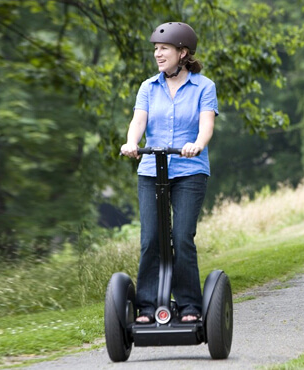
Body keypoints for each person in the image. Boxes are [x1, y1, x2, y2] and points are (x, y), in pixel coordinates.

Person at [120, 22, 218, 324]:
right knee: (151, 238)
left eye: (163, 48)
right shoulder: (148, 87)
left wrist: (197, 144)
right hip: (151, 171)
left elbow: (206, 126)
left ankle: (189, 305)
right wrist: (131, 143)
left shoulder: (204, 86)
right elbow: (139, 122)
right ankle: (147, 307)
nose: (158, 54)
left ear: (182, 52)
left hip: (190, 171)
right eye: (156, 49)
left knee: (181, 237)